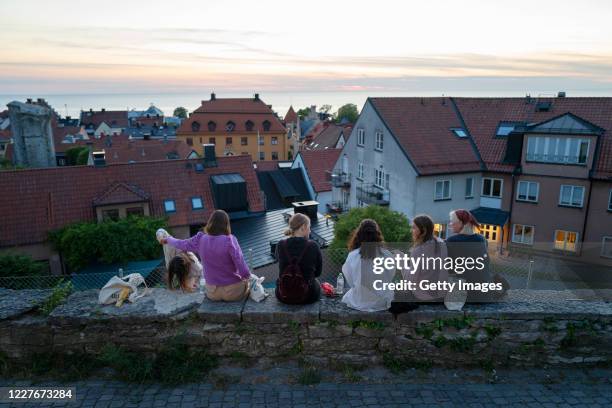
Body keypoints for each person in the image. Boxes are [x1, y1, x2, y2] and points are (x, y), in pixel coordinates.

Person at [160, 209, 251, 302]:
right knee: (249, 283)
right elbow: (242, 268)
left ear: (210, 222)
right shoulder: (230, 241)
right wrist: (248, 277)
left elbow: (182, 243)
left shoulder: (201, 239)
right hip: (233, 292)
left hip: (212, 293)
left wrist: (168, 239)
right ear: (226, 224)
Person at [341, 219, 396, 312]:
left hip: (359, 300)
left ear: (359, 235)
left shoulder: (353, 255)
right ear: (377, 234)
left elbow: (350, 281)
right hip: (381, 302)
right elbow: (390, 277)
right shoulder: (387, 255)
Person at [445, 209, 499, 302]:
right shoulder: (482, 240)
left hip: (467, 296)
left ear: (461, 223)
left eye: (452, 222)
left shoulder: (452, 241)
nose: (450, 224)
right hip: (485, 294)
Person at [275, 213, 322, 304]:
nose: (310, 231)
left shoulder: (281, 244)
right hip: (308, 296)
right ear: (303, 227)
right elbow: (318, 273)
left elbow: (280, 263)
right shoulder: (313, 246)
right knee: (316, 282)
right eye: (309, 227)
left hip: (283, 295)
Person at [402, 215, 449, 302]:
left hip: (423, 297)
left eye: (414, 228)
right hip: (441, 294)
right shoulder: (442, 244)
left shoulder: (418, 250)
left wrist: (402, 263)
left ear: (423, 230)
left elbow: (410, 281)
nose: (411, 231)